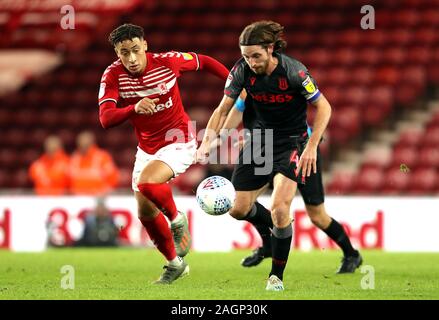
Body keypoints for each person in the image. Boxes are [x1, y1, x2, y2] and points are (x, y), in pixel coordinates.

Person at [197, 21, 362, 291]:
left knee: (306, 214)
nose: (250, 61)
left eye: (256, 55)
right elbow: (226, 109)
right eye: (245, 55)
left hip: (295, 144)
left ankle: (289, 272)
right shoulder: (242, 72)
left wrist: (311, 147)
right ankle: (268, 242)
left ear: (271, 49)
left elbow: (324, 107)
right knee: (237, 208)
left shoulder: (294, 72)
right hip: (259, 143)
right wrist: (209, 142)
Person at [98, 23, 229, 284]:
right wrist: (134, 108)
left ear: (145, 45)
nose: (132, 58)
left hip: (178, 139)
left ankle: (177, 219)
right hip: (147, 148)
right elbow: (106, 119)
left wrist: (232, 85)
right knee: (145, 213)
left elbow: (203, 62)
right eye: (124, 53)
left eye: (136, 50)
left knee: (148, 182)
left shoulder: (168, 62)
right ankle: (174, 264)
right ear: (117, 53)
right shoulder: (112, 75)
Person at [69, 130, 119, 195]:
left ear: (92, 143)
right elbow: (68, 180)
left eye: (86, 144)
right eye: (81, 144)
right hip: (78, 197)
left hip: (98, 198)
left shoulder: (103, 157)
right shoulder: (74, 158)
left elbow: (113, 178)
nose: (83, 146)